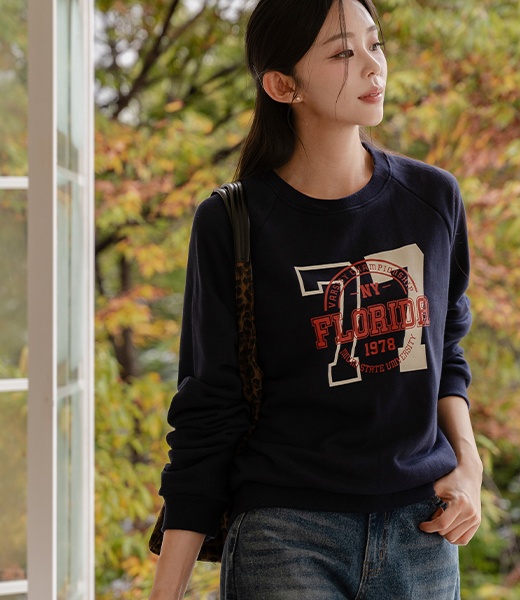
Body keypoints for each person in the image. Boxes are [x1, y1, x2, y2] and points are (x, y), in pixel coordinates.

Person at [149, 0, 482, 598]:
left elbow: (445, 352)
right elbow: (208, 411)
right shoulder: (233, 221)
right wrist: (164, 592)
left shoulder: (432, 199)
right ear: (283, 86)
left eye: (375, 44)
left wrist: (469, 466)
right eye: (343, 53)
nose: (374, 67)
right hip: (285, 536)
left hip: (423, 534)